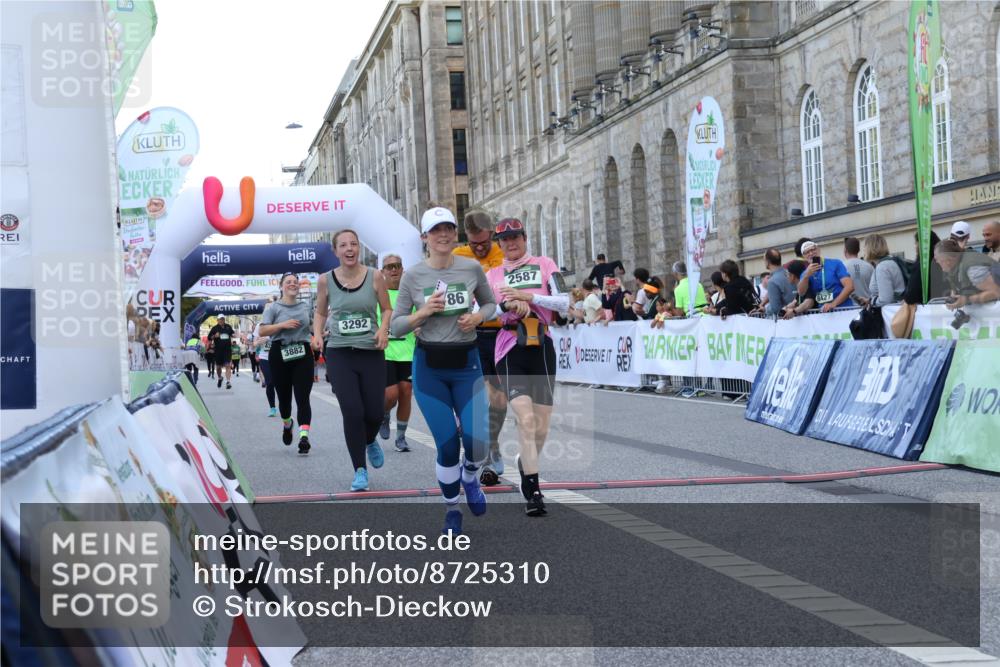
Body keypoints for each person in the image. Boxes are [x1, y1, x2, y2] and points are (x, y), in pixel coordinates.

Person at [390, 206, 496, 535]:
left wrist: (478, 317)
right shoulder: (413, 276)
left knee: (479, 443)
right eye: (436, 230)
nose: (444, 235)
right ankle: (452, 509)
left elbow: (491, 304)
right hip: (430, 369)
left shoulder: (470, 267)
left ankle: (469, 478)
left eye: (448, 228)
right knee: (448, 446)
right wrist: (422, 314)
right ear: (425, 237)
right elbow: (396, 326)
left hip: (467, 363)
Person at [485, 217, 569, 516]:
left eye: (515, 236)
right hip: (510, 346)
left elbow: (564, 301)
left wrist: (529, 297)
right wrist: (506, 306)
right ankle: (533, 490)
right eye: (504, 239)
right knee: (525, 417)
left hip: (541, 344)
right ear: (499, 244)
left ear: (524, 237)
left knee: (542, 424)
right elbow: (481, 312)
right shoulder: (492, 274)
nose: (511, 243)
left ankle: (525, 462)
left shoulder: (546, 264)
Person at [313, 230, 392, 490]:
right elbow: (321, 313)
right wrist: (317, 335)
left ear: (359, 248)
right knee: (352, 411)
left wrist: (383, 329)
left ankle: (369, 440)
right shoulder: (325, 280)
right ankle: (360, 470)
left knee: (374, 412)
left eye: (354, 244)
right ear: (335, 251)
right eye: (343, 245)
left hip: (370, 352)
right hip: (340, 352)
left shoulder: (375, 276)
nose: (349, 249)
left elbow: (387, 308)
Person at [452, 210, 508, 485]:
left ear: (492, 236)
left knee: (499, 399)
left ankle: (492, 442)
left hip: (500, 333)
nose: (479, 248)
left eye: (484, 242)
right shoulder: (458, 254)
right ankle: (485, 453)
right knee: (480, 396)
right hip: (471, 334)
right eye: (474, 243)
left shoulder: (502, 253)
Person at [259, 273, 316, 453]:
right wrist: (282, 325)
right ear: (281, 286)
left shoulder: (306, 307)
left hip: (303, 353)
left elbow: (313, 326)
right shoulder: (273, 307)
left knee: (303, 397)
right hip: (280, 353)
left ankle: (304, 438)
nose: (293, 284)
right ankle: (287, 423)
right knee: (284, 400)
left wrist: (317, 336)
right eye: (288, 282)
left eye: (295, 282)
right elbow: (262, 330)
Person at [378, 254, 415, 453]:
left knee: (406, 393)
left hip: (408, 352)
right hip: (385, 352)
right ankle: (384, 413)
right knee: (391, 395)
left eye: (397, 266)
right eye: (389, 267)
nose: (394, 270)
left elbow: (420, 317)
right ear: (382, 272)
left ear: (402, 269)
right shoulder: (378, 294)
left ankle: (401, 437)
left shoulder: (410, 294)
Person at [934, 239, 1000, 308]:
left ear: (949, 260)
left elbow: (997, 291)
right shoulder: (956, 266)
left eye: (937, 259)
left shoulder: (973, 270)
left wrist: (968, 299)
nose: (936, 261)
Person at [797, 240, 854, 312]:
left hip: (843, 310)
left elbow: (850, 286)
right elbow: (801, 293)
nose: (811, 253)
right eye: (807, 252)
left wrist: (833, 304)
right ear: (804, 257)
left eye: (813, 249)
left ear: (818, 250)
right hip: (824, 313)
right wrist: (806, 276)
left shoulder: (835, 263)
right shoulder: (806, 273)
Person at [863, 234, 906, 307]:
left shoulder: (882, 267)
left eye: (864, 247)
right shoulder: (890, 262)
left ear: (871, 248)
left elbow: (885, 300)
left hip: (891, 314)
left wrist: (871, 301)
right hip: (898, 310)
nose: (863, 250)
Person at [903, 231, 945, 304]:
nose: (915, 246)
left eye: (916, 243)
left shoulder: (921, 266)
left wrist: (905, 300)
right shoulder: (943, 262)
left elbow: (911, 296)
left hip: (926, 309)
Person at [253, 322, 277, 417]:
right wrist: (260, 341)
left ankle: (285, 406)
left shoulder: (279, 322)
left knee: (280, 383)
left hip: (279, 357)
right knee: (270, 382)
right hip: (265, 357)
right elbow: (255, 343)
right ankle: (272, 407)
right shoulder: (260, 325)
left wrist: (269, 338)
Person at [763, 249, 796, 317]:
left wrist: (765, 309)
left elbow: (775, 308)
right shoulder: (790, 273)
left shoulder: (772, 281)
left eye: (764, 260)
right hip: (800, 316)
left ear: (767, 261)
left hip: (785, 320)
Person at [207, 315, 236, 389]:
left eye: (223, 319)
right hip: (218, 351)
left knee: (227, 365)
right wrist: (214, 336)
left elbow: (232, 333)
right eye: (220, 319)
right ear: (217, 320)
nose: (222, 320)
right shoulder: (214, 328)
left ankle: (228, 382)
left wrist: (233, 335)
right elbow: (209, 338)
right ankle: (220, 378)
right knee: (218, 367)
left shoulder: (228, 326)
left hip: (227, 350)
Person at [843, 236, 873, 306]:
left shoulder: (841, 266)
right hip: (868, 306)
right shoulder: (869, 266)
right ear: (858, 250)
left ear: (845, 250)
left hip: (849, 308)